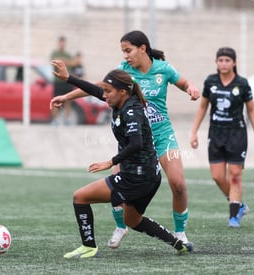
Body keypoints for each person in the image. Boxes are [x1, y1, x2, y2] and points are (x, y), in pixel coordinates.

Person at [50, 30, 200, 247]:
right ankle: (121, 227)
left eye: (128, 50)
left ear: (143, 48)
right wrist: (66, 96)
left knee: (178, 184)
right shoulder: (124, 71)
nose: (125, 55)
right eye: (123, 51)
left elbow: (184, 83)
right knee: (118, 184)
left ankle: (180, 233)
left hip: (162, 135)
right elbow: (99, 89)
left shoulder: (163, 69)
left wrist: (191, 87)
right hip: (134, 138)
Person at [190, 47, 254, 228]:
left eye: (227, 60)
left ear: (234, 63)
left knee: (235, 175)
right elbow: (202, 107)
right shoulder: (210, 82)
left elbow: (251, 110)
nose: (224, 63)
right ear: (216, 63)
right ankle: (239, 204)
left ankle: (233, 215)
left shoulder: (242, 84)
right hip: (215, 134)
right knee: (217, 176)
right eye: (220, 60)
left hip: (236, 134)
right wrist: (194, 132)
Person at [50, 36, 76, 125]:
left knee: (68, 101)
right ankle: (55, 121)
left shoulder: (67, 54)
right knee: (56, 101)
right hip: (58, 81)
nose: (62, 44)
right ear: (58, 43)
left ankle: (67, 119)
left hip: (67, 81)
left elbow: (73, 63)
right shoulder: (54, 53)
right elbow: (54, 62)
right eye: (61, 42)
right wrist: (65, 61)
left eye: (63, 42)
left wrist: (63, 61)